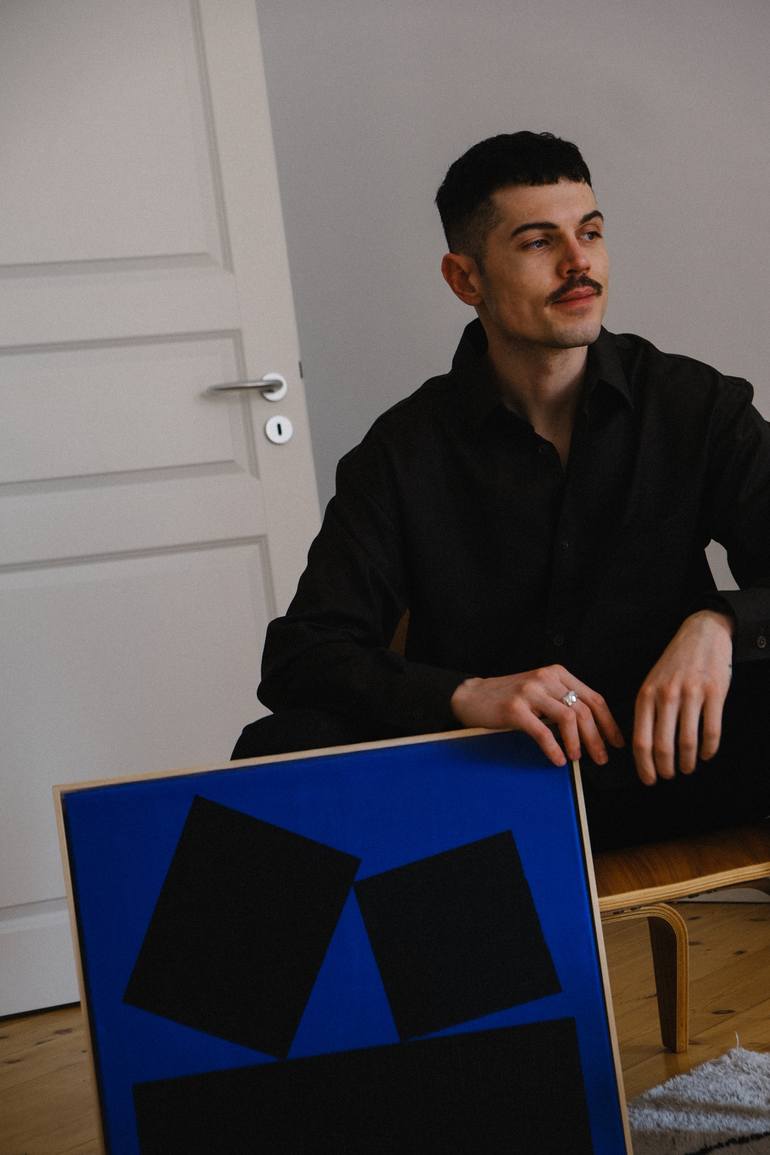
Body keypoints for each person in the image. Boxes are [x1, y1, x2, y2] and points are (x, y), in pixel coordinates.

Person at [232, 131, 770, 850]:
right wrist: (465, 694)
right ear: (466, 279)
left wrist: (718, 621)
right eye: (539, 242)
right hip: (483, 787)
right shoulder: (402, 451)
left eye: (590, 233)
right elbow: (303, 654)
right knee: (280, 747)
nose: (579, 263)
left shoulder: (696, 405)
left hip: (672, 762)